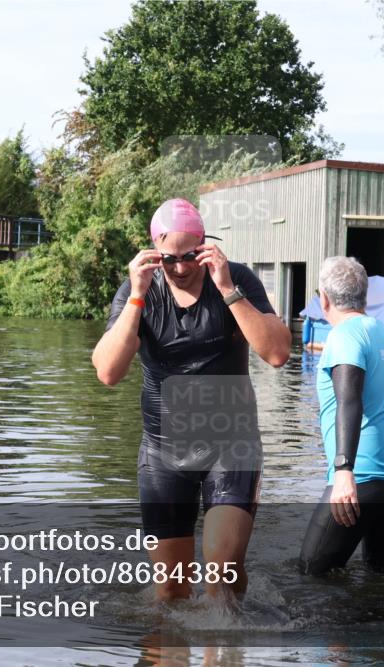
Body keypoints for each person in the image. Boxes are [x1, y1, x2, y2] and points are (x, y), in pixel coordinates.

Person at [92, 198, 292, 604]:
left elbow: (277, 354)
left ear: (205, 247)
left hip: (231, 446)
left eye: (189, 257)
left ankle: (225, 649)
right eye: (169, 259)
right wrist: (136, 296)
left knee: (220, 578)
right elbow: (108, 373)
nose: (181, 268)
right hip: (165, 452)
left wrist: (227, 290)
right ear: (153, 254)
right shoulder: (139, 290)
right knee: (169, 590)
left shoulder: (234, 279)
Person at [299, 257, 384, 576]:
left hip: (360, 480)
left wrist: (344, 471)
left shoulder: (345, 337)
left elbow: (349, 401)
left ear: (323, 298)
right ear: (364, 296)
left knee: (310, 575)